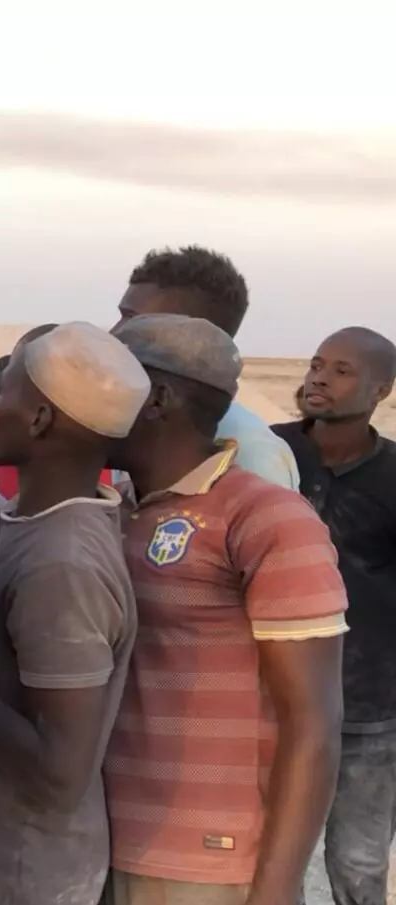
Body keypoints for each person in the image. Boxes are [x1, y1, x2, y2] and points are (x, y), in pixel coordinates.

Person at [104, 314, 346, 905]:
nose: (92, 393)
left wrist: (276, 889)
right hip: (109, 845)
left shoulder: (266, 517)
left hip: (210, 867)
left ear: (156, 398)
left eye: (109, 379)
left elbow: (313, 722)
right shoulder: (117, 506)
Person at [0, 322, 148, 905]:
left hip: (25, 872)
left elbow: (59, 775)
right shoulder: (24, 519)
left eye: (4, 392)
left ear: (40, 419)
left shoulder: (63, 564)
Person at [272, 327, 396, 905]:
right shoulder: (267, 455)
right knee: (271, 856)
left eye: (342, 370)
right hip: (271, 700)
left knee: (358, 862)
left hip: (369, 712)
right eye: (318, 364)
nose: (319, 376)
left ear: (381, 390)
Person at [113, 245, 299, 490]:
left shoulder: (254, 454)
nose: (115, 333)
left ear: (197, 335)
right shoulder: (131, 421)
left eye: (134, 320)